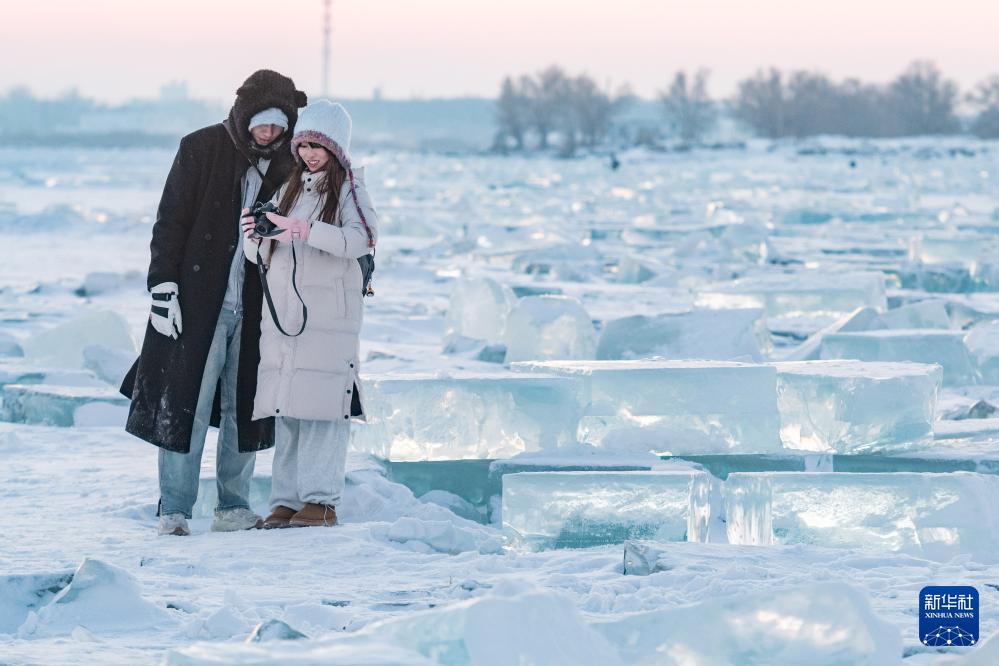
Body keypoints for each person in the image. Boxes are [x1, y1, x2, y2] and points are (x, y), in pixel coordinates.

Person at [120, 70, 308, 536]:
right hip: (197, 305)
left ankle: (233, 506)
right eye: (263, 124)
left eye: (279, 127)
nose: (271, 134)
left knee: (245, 408)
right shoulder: (200, 148)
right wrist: (163, 287)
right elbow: (170, 222)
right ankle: (175, 509)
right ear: (245, 118)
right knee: (186, 403)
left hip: (258, 308)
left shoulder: (291, 164)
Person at [240, 100, 377, 528]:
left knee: (321, 412)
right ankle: (286, 500)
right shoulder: (291, 189)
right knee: (289, 411)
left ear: (336, 148)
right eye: (304, 146)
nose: (310, 155)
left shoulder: (350, 188)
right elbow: (262, 254)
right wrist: (255, 236)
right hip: (285, 320)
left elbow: (361, 239)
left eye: (319, 147)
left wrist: (305, 229)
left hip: (327, 319)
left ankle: (320, 501)